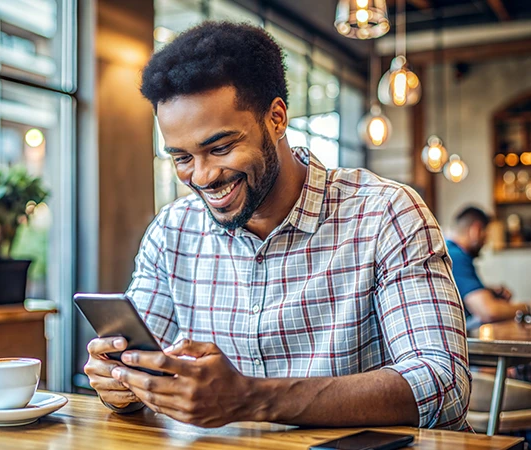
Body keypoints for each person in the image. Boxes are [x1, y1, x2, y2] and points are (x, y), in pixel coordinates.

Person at [84, 22, 470, 430]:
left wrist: (251, 399)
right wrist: (120, 381)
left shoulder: (385, 213)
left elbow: (443, 384)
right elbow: (139, 361)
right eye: (181, 158)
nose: (201, 176)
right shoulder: (172, 232)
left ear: (277, 118)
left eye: (220, 148)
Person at [445, 206, 530, 328]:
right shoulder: (456, 257)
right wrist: (527, 307)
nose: (486, 242)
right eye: (486, 235)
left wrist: (487, 292)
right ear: (476, 230)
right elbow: (489, 312)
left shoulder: (450, 252)